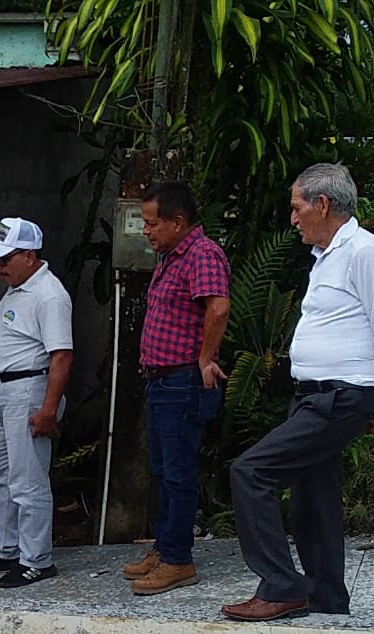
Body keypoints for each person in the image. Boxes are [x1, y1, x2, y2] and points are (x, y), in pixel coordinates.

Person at [221, 163, 374, 622]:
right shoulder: (328, 256)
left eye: (297, 207)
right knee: (314, 497)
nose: (293, 218)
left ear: (322, 204)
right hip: (318, 394)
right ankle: (326, 598)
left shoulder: (365, 252)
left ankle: (282, 587)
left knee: (251, 472)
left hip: (342, 394)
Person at [122, 180, 230, 597]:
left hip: (183, 380)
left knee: (178, 472)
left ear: (178, 221)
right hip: (162, 380)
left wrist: (205, 359)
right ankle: (165, 547)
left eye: (152, 223)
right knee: (164, 470)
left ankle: (178, 560)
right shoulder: (170, 256)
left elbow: (218, 307)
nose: (146, 231)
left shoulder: (201, 254)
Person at [0, 217, 74, 588]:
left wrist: (48, 409)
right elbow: (10, 344)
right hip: (6, 391)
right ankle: (6, 547)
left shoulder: (48, 294)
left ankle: (36, 559)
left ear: (29, 255)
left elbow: (61, 356)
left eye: (5, 258)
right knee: (3, 473)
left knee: (28, 480)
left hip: (28, 392)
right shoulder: (18, 289)